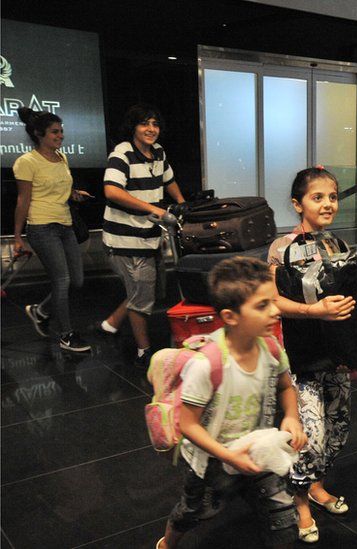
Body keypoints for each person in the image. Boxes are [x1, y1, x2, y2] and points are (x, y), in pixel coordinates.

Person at [157, 256, 307, 549]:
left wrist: (291, 416)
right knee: (194, 511)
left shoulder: (273, 349)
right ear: (230, 317)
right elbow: (187, 423)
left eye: (273, 301)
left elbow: (286, 387)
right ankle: (167, 543)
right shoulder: (208, 363)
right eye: (262, 305)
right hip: (212, 459)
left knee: (283, 517)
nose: (276, 311)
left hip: (256, 448)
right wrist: (228, 456)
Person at [267, 167, 357, 544]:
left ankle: (316, 486)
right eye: (317, 197)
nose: (327, 204)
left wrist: (354, 354)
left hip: (334, 357)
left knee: (337, 432)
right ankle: (300, 503)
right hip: (300, 360)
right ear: (297, 203)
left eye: (332, 197)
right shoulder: (281, 247)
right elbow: (272, 302)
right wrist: (314, 310)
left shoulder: (337, 243)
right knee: (310, 438)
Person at [99, 104, 185, 368]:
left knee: (145, 291)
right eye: (144, 124)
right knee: (142, 295)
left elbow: (168, 180)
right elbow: (112, 191)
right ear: (133, 127)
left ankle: (111, 324)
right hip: (125, 239)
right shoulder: (122, 153)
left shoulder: (158, 153)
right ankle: (143, 351)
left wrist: (183, 204)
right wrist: (152, 208)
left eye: (155, 124)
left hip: (150, 237)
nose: (151, 129)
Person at [12, 107, 93, 352]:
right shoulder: (26, 162)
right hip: (41, 228)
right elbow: (23, 200)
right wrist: (17, 236)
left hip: (65, 225)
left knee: (76, 281)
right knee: (62, 280)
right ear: (39, 134)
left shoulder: (62, 158)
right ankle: (66, 335)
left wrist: (75, 195)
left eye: (61, 131)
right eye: (55, 132)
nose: (61, 136)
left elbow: (63, 191)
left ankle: (41, 310)